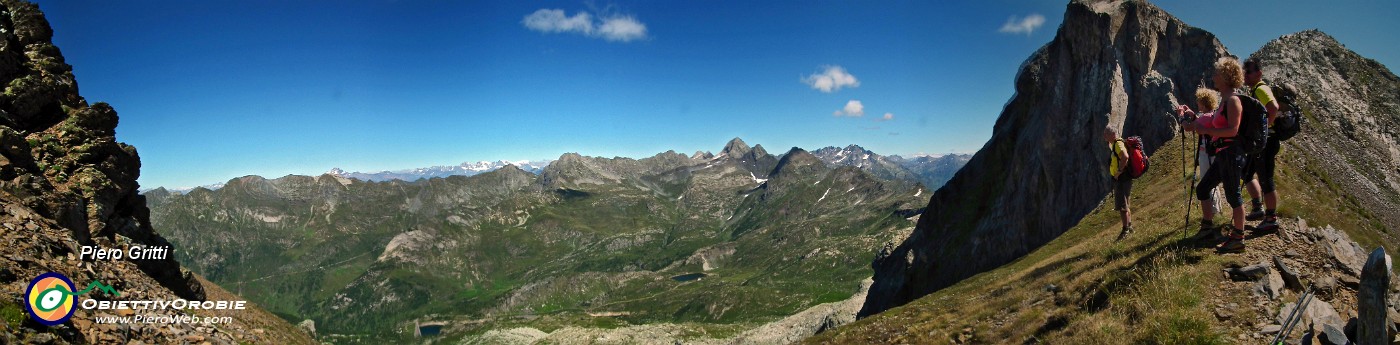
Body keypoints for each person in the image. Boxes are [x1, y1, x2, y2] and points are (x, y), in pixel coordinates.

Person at [1183, 57, 1248, 253]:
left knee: (1233, 196)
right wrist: (1196, 124)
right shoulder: (1224, 102)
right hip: (1222, 154)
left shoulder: (1234, 101)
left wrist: (1208, 132)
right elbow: (1212, 121)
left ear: (1226, 77)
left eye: (1217, 73)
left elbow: (1233, 130)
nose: (1214, 76)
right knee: (1203, 189)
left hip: (1231, 154)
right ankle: (1208, 226)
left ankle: (1238, 237)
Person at [1240, 58, 1282, 232]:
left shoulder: (1261, 89)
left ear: (1259, 73)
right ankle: (1258, 207)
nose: (1245, 75)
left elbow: (1273, 108)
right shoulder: (1256, 90)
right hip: (1260, 141)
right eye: (1244, 72)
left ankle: (1271, 217)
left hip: (1266, 141)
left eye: (1248, 72)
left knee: (1266, 178)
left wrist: (1264, 130)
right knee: (1247, 172)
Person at [1178, 87, 1225, 216]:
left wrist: (1181, 116)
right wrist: (1193, 115)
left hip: (1207, 154)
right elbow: (1199, 122)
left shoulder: (1205, 117)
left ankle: (1212, 213)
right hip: (1213, 152)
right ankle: (1217, 210)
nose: (1197, 103)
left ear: (1203, 103)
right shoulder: (1211, 115)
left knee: (1206, 182)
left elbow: (1188, 128)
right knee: (1213, 182)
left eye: (1199, 101)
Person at [1105, 124, 1133, 241]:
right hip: (1123, 178)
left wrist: (1119, 172)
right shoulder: (1115, 144)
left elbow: (1125, 156)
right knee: (1125, 203)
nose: (1104, 136)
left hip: (1122, 179)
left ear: (1113, 134)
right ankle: (1129, 227)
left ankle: (1125, 229)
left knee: (1122, 205)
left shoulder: (1118, 144)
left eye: (1106, 134)